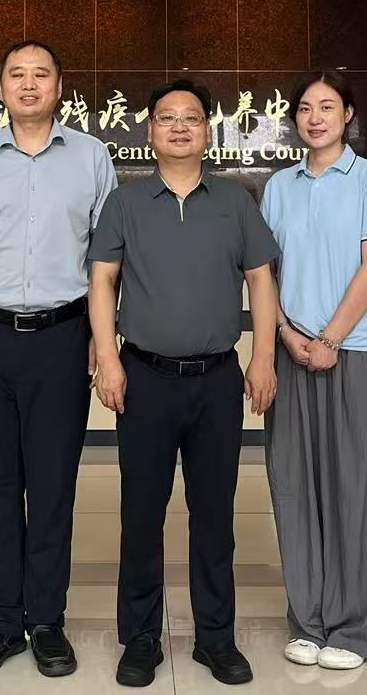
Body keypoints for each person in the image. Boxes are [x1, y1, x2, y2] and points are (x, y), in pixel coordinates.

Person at [89, 78, 281, 689]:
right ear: (150, 131)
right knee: (140, 516)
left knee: (214, 516)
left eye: (191, 118)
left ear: (207, 131)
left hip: (217, 380)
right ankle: (141, 638)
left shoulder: (236, 201)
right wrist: (107, 358)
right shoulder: (124, 202)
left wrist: (263, 358)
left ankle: (215, 638)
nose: (179, 127)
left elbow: (261, 281)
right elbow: (102, 282)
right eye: (167, 118)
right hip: (143, 378)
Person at [0, 40, 116, 679]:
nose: (29, 84)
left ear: (60, 87)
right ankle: (2, 622)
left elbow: (106, 260)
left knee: (52, 485)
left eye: (42, 74)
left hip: (61, 337)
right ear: (2, 87)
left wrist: (102, 337)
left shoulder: (92, 157)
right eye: (17, 74)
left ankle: (46, 622)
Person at [258, 72, 367, 672]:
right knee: (294, 487)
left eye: (327, 107)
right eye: (305, 108)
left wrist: (331, 338)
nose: (315, 118)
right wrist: (287, 335)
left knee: (355, 491)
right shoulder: (279, 186)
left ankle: (355, 626)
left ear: (348, 116)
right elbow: (264, 273)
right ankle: (308, 620)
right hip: (292, 354)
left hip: (354, 352)